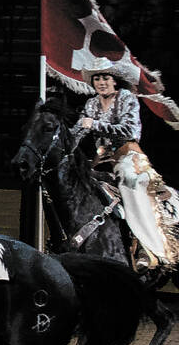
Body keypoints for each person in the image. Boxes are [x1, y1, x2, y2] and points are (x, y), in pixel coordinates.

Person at [71, 59, 177, 270]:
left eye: (105, 78)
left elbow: (130, 130)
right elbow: (79, 130)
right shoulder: (91, 104)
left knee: (131, 182)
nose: (101, 82)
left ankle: (149, 250)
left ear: (115, 81)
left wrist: (96, 124)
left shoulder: (127, 98)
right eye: (97, 78)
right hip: (101, 163)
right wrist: (66, 143)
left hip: (129, 159)